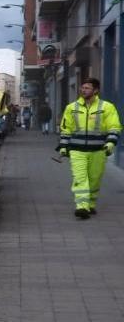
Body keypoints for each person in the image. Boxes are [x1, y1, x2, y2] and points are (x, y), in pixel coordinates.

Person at [58, 78, 121, 219]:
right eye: (82, 87)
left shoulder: (107, 107)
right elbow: (65, 129)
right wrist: (63, 146)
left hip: (99, 150)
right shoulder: (71, 107)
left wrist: (111, 142)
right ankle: (82, 207)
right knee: (80, 178)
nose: (83, 90)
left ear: (96, 90)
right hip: (76, 150)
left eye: (87, 88)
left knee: (94, 178)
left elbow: (114, 126)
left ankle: (91, 204)